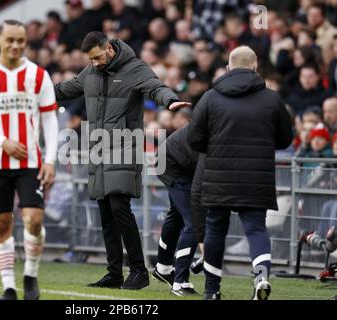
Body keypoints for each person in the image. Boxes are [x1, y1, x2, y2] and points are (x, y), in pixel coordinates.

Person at [54, 31, 189, 290]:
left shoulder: (136, 68)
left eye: (96, 57)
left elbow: (155, 87)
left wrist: (170, 101)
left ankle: (139, 270)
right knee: (106, 213)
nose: (93, 63)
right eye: (90, 59)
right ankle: (114, 272)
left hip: (125, 147)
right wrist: (33, 90)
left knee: (119, 208)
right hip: (99, 150)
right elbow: (64, 90)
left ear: (109, 48)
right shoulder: (91, 72)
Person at [187, 46, 293, 300]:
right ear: (256, 67)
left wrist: (213, 148)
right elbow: (285, 139)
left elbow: (193, 138)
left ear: (228, 68)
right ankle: (261, 276)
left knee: (215, 230)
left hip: (218, 176)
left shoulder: (211, 97)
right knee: (256, 229)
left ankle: (212, 291)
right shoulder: (272, 99)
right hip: (257, 177)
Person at [0, 20, 58, 300]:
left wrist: (51, 160)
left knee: (33, 219)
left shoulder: (38, 75)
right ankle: (8, 288)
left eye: (21, 40)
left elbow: (50, 119)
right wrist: (1, 140)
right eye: (11, 40)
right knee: (2, 224)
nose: (16, 46)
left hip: (30, 162)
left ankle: (30, 276)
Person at [152, 122, 204, 296]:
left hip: (181, 161)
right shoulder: (218, 129)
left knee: (177, 216)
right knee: (193, 221)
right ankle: (180, 281)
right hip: (172, 162)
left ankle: (163, 268)